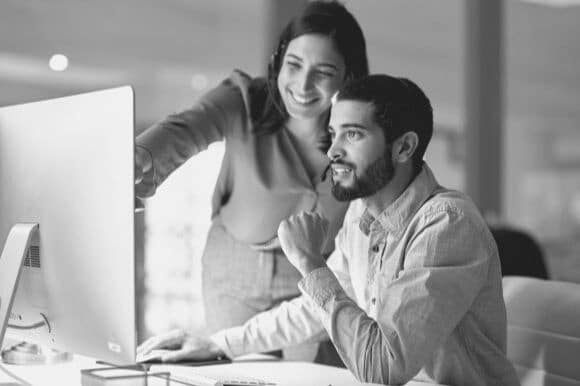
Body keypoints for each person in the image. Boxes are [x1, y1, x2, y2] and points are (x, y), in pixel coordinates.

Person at [138, 74, 521, 385]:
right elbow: (314, 309)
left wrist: (308, 261)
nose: (333, 150)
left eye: (352, 134)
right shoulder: (360, 216)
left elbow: (383, 368)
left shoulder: (445, 225)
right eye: (334, 134)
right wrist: (218, 343)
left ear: (403, 148)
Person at [134, 0, 368, 359]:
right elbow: (186, 127)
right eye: (293, 65)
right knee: (236, 371)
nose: (302, 84)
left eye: (322, 71)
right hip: (234, 271)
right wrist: (140, 158)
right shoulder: (243, 99)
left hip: (309, 276)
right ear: (278, 61)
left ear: (347, 77)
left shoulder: (357, 138)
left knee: (302, 381)